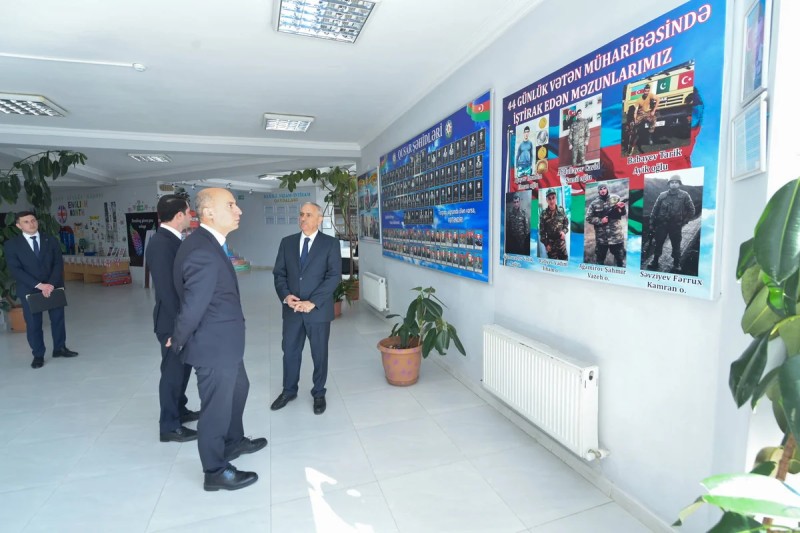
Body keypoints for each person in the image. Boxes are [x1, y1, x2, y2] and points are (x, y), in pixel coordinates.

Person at [169, 188, 266, 491]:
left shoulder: (210, 243)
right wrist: (178, 339)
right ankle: (215, 470)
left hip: (225, 342)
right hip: (212, 346)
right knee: (216, 409)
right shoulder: (202, 250)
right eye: (231, 205)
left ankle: (233, 441)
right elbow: (193, 306)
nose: (239, 211)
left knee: (240, 388)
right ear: (209, 212)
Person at [272, 202, 341, 416]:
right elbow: (279, 274)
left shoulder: (330, 244)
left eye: (309, 215)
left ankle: (319, 393)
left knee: (319, 354)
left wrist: (312, 302)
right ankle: (288, 391)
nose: (303, 218)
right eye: (301, 214)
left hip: (317, 311)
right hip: (292, 310)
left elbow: (334, 276)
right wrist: (286, 296)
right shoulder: (287, 242)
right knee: (290, 352)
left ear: (319, 219)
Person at [146, 194, 199, 444]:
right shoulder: (161, 243)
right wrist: (181, 327)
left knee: (183, 368)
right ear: (179, 215)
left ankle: (180, 409)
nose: (190, 216)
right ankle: (169, 425)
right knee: (172, 373)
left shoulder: (173, 240)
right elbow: (167, 291)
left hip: (180, 320)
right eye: (188, 212)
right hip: (172, 322)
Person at [4, 211, 78, 369]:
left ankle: (60, 348)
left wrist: (50, 284)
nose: (31, 224)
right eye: (26, 222)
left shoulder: (51, 240)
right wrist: (40, 285)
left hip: (53, 286)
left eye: (33, 220)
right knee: (33, 324)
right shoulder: (12, 245)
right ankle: (38, 355)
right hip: (30, 288)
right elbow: (16, 270)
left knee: (58, 320)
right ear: (18, 225)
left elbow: (58, 263)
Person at [647, 175, 695, 272]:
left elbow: (692, 210)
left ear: (679, 184)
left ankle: (676, 263)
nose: (674, 184)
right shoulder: (662, 195)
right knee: (658, 243)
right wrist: (651, 223)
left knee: (676, 244)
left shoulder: (684, 195)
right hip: (662, 224)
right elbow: (655, 210)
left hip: (675, 225)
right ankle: (655, 261)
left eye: (676, 182)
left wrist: (684, 221)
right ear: (669, 184)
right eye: (672, 182)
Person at [586, 184, 627, 266]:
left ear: (607, 189)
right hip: (601, 238)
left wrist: (622, 208)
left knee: (620, 260)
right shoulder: (594, 203)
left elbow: (623, 213)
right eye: (601, 189)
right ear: (598, 191)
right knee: (600, 261)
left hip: (616, 236)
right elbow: (588, 218)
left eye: (604, 188)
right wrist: (600, 220)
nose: (603, 190)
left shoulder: (616, 198)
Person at [539, 190, 569, 260]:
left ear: (556, 198)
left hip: (561, 244)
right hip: (550, 246)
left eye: (553, 198)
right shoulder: (543, 214)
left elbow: (566, 223)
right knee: (552, 265)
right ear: (546, 200)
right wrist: (546, 244)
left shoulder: (561, 210)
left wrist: (564, 231)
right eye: (549, 199)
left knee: (565, 263)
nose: (552, 201)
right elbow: (542, 232)